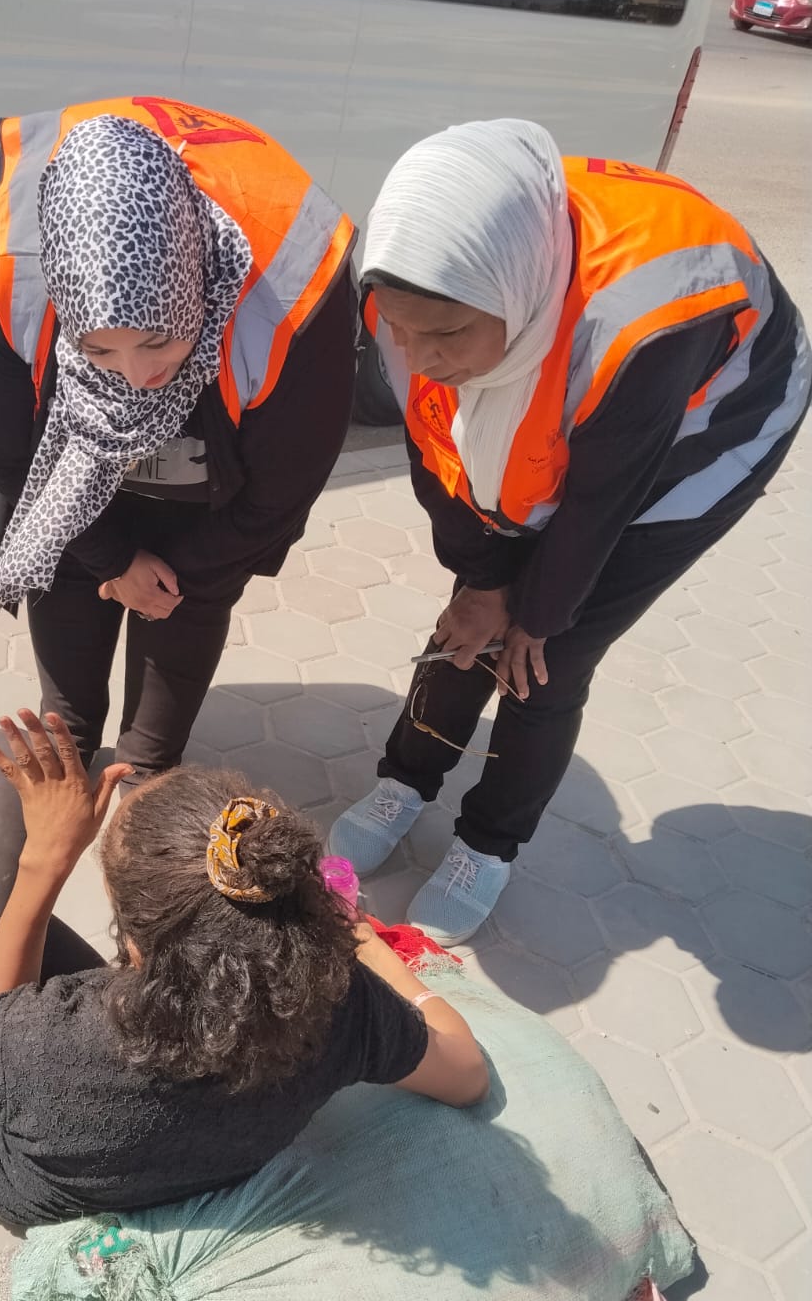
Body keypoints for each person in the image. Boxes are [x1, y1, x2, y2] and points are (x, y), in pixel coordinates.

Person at [0, 620, 487, 1201]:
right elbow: (466, 1073)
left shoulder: (63, 1036)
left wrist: (46, 864)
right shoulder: (333, 1008)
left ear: (131, 948)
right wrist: (361, 938)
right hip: (158, 1145)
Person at [330, 120, 809, 944]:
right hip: (560, 406)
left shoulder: (639, 332)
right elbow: (437, 449)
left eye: (446, 334)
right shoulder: (405, 297)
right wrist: (484, 580)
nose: (420, 355)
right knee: (468, 629)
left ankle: (489, 842)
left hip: (697, 442)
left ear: (517, 297)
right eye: (403, 331)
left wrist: (539, 612)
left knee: (542, 662)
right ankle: (404, 780)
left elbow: (598, 504)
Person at [0, 96, 356, 785]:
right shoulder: (4, 274)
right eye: (99, 350)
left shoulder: (293, 300)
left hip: (212, 507)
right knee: (66, 719)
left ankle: (145, 768)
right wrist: (111, 559)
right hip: (67, 471)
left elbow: (278, 495)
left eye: (158, 340)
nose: (137, 377)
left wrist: (175, 579)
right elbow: (12, 456)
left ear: (196, 291)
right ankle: (73, 743)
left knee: (151, 753)